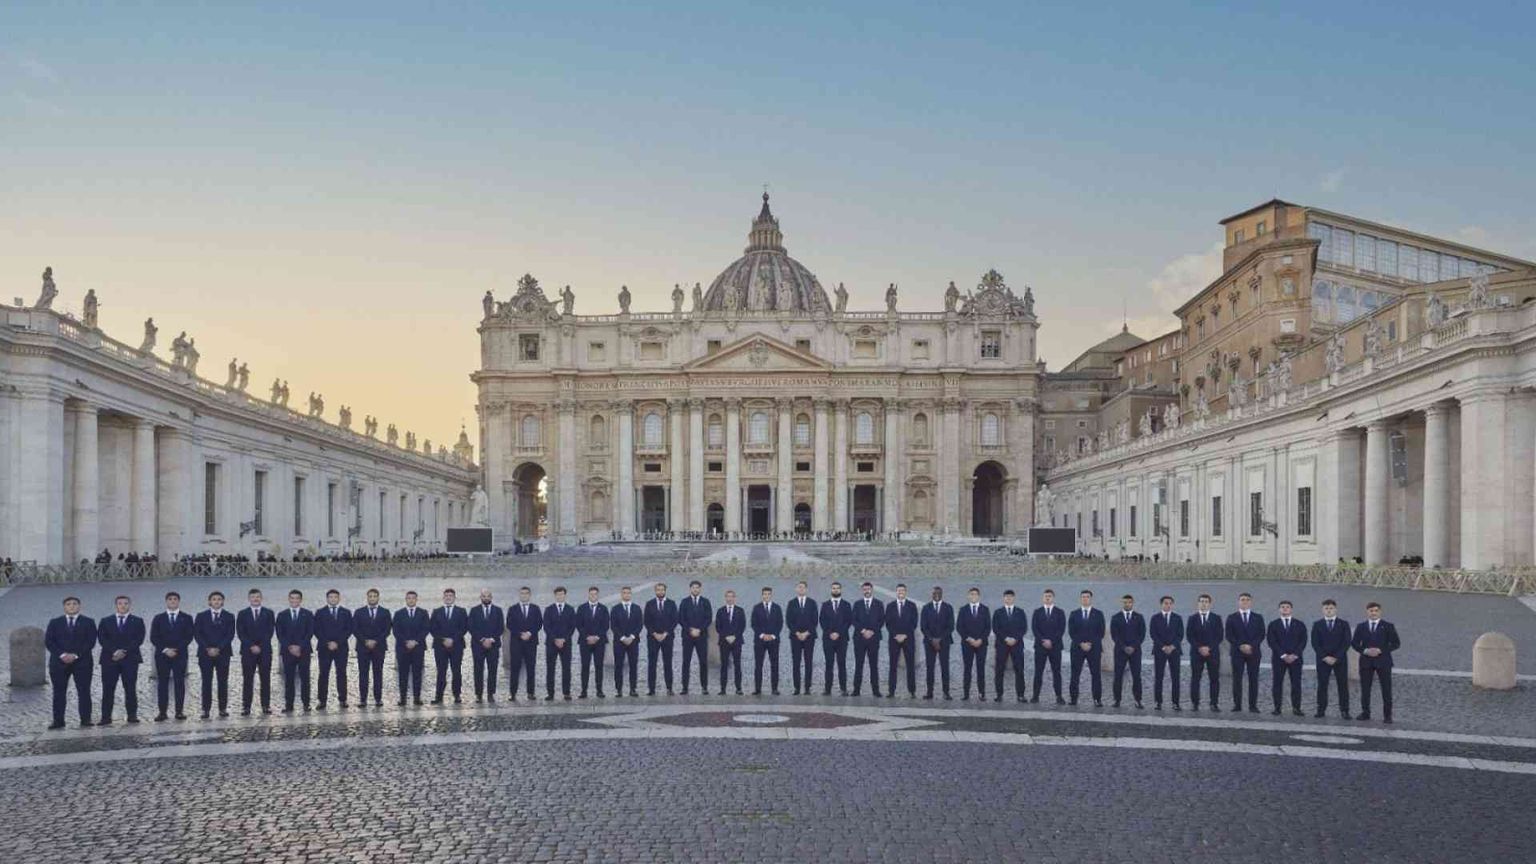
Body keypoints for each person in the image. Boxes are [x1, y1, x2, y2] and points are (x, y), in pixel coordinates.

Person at [45, 596, 96, 729]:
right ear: (64, 607)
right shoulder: (54, 622)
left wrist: (75, 655)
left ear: (79, 606)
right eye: (68, 604)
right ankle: (58, 720)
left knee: (84, 691)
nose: (72, 606)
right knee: (58, 692)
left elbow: (90, 642)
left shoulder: (88, 622)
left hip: (82, 662)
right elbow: (49, 642)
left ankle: (85, 719)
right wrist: (62, 655)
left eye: (74, 604)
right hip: (59, 663)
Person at [97, 595, 145, 725]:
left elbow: (139, 639)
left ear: (130, 605)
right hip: (109, 659)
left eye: (125, 603)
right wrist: (114, 651)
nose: (123, 606)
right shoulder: (105, 621)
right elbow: (102, 639)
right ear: (116, 605)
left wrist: (124, 651)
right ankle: (105, 717)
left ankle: (132, 715)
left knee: (130, 688)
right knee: (108, 689)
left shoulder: (138, 621)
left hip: (130, 659)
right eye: (120, 603)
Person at [150, 591, 195, 721]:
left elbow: (189, 636)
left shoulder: (186, 618)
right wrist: (165, 649)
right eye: (170, 599)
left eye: (175, 599)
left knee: (179, 683)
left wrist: (176, 649)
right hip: (162, 655)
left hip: (179, 655)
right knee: (162, 684)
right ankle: (162, 712)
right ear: (166, 601)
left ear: (178, 601)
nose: (173, 601)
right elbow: (154, 637)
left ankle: (179, 711)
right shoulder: (158, 618)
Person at [1353, 601, 1400, 723]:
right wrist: (1365, 650)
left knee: (1386, 689)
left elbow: (1396, 643)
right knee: (1365, 689)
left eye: (1376, 611)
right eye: (1371, 611)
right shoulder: (1361, 626)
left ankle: (1387, 715)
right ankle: (1365, 712)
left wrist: (1381, 650)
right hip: (1366, 661)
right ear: (1367, 612)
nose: (1373, 613)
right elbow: (1354, 643)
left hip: (1383, 661)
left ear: (1380, 612)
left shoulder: (1388, 626)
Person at [193, 591, 235, 719]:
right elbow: (197, 634)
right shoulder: (201, 616)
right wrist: (207, 648)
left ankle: (222, 708)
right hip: (205, 654)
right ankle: (205, 709)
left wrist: (218, 648)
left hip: (223, 653)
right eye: (214, 599)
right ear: (209, 602)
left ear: (223, 601)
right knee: (206, 682)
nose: (216, 601)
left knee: (222, 681)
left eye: (219, 599)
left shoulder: (229, 616)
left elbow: (230, 634)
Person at [236, 589, 275, 715]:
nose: (255, 599)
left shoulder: (269, 613)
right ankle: (246, 706)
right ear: (249, 599)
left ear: (261, 598)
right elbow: (241, 633)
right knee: (248, 679)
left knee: (265, 678)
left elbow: (270, 632)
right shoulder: (242, 614)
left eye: (258, 596)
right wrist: (252, 645)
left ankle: (266, 705)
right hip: (248, 651)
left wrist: (260, 646)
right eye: (253, 597)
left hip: (265, 651)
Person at [275, 590, 314, 713]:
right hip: (288, 651)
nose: (294, 600)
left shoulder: (308, 614)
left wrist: (299, 647)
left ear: (300, 600)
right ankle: (289, 705)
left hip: (304, 651)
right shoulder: (282, 615)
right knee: (289, 679)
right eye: (292, 598)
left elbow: (310, 633)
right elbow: (280, 634)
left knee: (305, 678)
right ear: (289, 599)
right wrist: (290, 647)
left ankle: (306, 704)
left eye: (297, 598)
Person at [1311, 599, 1351, 719]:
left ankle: (1344, 710)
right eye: (1326, 608)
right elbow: (1315, 643)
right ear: (1323, 610)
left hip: (1340, 660)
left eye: (1331, 608)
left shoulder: (1344, 624)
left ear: (1335, 609)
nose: (1329, 610)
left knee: (1343, 685)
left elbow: (1346, 642)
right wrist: (1324, 656)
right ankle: (1321, 709)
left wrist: (1336, 657)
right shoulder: (1317, 624)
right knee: (1322, 685)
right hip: (1323, 660)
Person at [1225, 593, 1264, 713]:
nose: (1245, 602)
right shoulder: (1231, 617)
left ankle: (1253, 705)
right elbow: (1229, 635)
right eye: (1242, 600)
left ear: (1251, 602)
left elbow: (1261, 634)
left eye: (1247, 600)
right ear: (1238, 602)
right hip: (1237, 652)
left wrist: (1250, 645)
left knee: (1253, 679)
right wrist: (1241, 645)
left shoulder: (1258, 617)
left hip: (1254, 652)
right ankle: (1237, 705)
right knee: (1237, 679)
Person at [314, 589, 353, 710]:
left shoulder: (346, 612)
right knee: (323, 674)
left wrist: (337, 642)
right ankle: (322, 700)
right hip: (324, 648)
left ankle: (343, 699)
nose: (333, 599)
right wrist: (328, 643)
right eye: (330, 597)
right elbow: (316, 630)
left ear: (339, 598)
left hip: (341, 648)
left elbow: (349, 630)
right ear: (327, 599)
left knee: (341, 673)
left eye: (335, 597)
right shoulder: (320, 612)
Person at [1267, 600, 1307, 716]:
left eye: (1287, 607)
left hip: (1296, 659)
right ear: (1279, 609)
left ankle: (1296, 708)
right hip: (1279, 659)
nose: (1285, 609)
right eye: (1282, 607)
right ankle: (1277, 707)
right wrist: (1283, 655)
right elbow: (1271, 641)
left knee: (1296, 684)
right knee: (1277, 683)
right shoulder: (1273, 624)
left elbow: (1303, 641)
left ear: (1291, 609)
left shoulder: (1300, 624)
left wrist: (1294, 655)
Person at [353, 588, 391, 708]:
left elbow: (387, 630)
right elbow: (355, 629)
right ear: (367, 597)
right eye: (370, 596)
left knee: (378, 673)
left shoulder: (385, 612)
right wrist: (365, 641)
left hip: (379, 647)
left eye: (375, 596)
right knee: (363, 674)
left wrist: (375, 641)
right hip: (362, 648)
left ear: (378, 598)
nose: (372, 598)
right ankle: (363, 699)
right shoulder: (359, 612)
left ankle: (378, 699)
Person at [430, 588, 468, 704]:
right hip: (440, 646)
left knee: (456, 671)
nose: (448, 597)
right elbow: (432, 628)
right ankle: (439, 696)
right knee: (441, 671)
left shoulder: (461, 611)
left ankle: (457, 695)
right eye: (446, 595)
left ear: (454, 597)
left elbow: (464, 628)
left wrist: (453, 639)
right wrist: (443, 639)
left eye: (450, 596)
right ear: (443, 597)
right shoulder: (437, 611)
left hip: (457, 646)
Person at [1186, 593, 1222, 712]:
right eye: (1201, 601)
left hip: (1213, 653)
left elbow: (1219, 636)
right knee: (1195, 678)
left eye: (1206, 601)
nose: (1204, 603)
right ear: (1198, 603)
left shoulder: (1216, 618)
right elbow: (1190, 636)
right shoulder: (1192, 618)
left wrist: (1209, 648)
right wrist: (1200, 648)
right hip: (1197, 653)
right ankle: (1195, 703)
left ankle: (1214, 703)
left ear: (1210, 604)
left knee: (1214, 679)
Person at [1068, 589, 1105, 706]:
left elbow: (1101, 632)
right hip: (1077, 648)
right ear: (1080, 599)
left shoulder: (1099, 614)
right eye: (1083, 597)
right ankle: (1073, 699)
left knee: (1096, 674)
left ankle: (1097, 699)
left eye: (1087, 597)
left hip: (1094, 648)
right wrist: (1081, 644)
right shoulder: (1074, 614)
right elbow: (1071, 632)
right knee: (1075, 674)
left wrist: (1089, 644)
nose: (1085, 599)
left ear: (1091, 599)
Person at [392, 591, 429, 706]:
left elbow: (426, 629)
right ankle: (402, 698)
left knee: (417, 673)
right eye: (409, 598)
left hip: (418, 648)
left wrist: (415, 641)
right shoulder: (399, 613)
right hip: (402, 648)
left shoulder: (423, 613)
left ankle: (417, 698)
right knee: (403, 674)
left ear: (416, 599)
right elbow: (396, 631)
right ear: (406, 599)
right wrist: (406, 642)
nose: (411, 600)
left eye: (413, 598)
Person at [882, 584, 918, 698]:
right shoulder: (890, 606)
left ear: (905, 592)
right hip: (894, 639)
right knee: (893, 666)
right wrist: (896, 635)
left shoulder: (912, 606)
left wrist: (905, 635)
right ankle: (891, 691)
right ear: (896, 592)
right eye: (899, 590)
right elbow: (888, 623)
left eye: (902, 590)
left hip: (909, 639)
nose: (901, 592)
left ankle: (912, 691)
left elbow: (914, 622)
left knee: (910, 665)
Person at [1030, 589, 1066, 704]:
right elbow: (1034, 629)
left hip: (1055, 647)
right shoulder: (1037, 612)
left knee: (1057, 672)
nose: (1047, 598)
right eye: (1045, 596)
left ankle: (1059, 696)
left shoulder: (1060, 612)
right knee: (1038, 672)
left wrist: (1051, 641)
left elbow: (1061, 629)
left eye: (1049, 596)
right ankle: (1035, 696)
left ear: (1053, 598)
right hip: (1040, 647)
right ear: (1042, 598)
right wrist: (1043, 641)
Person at [991, 590, 1028, 702]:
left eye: (1010, 597)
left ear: (1014, 598)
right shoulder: (998, 612)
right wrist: (1006, 638)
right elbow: (995, 628)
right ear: (1003, 598)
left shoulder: (1020, 612)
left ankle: (1020, 694)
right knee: (999, 670)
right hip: (1002, 644)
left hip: (1017, 645)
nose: (1008, 599)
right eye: (1006, 597)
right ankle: (999, 694)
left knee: (1019, 670)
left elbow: (1024, 628)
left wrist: (1015, 638)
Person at [1110, 594, 1145, 709]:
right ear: (1122, 603)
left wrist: (1133, 647)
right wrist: (1124, 647)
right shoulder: (1115, 617)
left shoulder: (1139, 617)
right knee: (1118, 676)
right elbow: (1114, 635)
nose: (1127, 604)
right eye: (1125, 602)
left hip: (1135, 651)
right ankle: (1117, 700)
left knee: (1137, 676)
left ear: (1132, 603)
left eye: (1129, 602)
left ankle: (1138, 700)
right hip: (1120, 651)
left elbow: (1142, 635)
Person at [468, 588, 504, 703]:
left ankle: (490, 694)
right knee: (478, 670)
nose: (486, 598)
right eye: (484, 596)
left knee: (492, 670)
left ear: (491, 597)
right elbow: (471, 627)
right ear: (481, 597)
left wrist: (491, 640)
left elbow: (500, 628)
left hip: (493, 645)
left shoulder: (498, 610)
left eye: (488, 596)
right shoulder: (474, 611)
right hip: (478, 645)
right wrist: (483, 639)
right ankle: (478, 694)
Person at [507, 586, 543, 700]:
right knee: (515, 668)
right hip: (516, 643)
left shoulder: (535, 608)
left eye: (526, 593)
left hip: (531, 642)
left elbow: (539, 624)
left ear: (529, 595)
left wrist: (529, 633)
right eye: (522, 593)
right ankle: (512, 693)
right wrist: (520, 634)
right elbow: (509, 624)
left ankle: (531, 693)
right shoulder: (512, 609)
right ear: (519, 595)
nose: (524, 595)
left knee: (531, 668)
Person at [1148, 595, 1183, 710]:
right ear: (1161, 604)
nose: (1167, 605)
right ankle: (1158, 702)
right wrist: (1163, 646)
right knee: (1159, 677)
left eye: (1169, 603)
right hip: (1159, 650)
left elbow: (1180, 635)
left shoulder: (1178, 618)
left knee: (1175, 677)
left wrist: (1172, 646)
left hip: (1175, 651)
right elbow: (1153, 634)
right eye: (1165, 603)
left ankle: (1175, 702)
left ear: (1172, 605)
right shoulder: (1155, 618)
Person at [920, 586, 955, 700]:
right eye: (934, 593)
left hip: (944, 642)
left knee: (945, 667)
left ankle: (946, 692)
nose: (936, 595)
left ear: (942, 594)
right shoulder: (926, 608)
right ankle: (929, 692)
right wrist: (932, 639)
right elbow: (923, 627)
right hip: (929, 643)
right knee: (930, 668)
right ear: (931, 594)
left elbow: (951, 626)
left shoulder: (948, 608)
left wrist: (939, 639)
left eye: (938, 593)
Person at [851, 582, 885, 697]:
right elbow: (853, 620)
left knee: (874, 665)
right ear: (862, 590)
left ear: (872, 590)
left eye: (868, 589)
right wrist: (863, 631)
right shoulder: (857, 604)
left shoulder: (879, 604)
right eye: (864, 589)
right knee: (858, 664)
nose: (866, 591)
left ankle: (876, 690)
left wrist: (872, 631)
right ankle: (856, 690)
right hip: (859, 638)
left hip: (874, 638)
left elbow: (881, 620)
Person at [678, 580, 712, 695]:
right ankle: (685, 687)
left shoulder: (705, 602)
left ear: (700, 589)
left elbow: (708, 618)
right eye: (693, 587)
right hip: (687, 636)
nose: (695, 589)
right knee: (686, 662)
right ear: (690, 589)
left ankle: (704, 687)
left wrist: (699, 630)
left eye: (697, 587)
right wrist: (690, 630)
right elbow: (681, 619)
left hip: (701, 636)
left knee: (703, 662)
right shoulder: (684, 602)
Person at [956, 587, 990, 700]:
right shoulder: (963, 610)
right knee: (967, 669)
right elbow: (959, 627)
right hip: (967, 644)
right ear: (968, 596)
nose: (973, 596)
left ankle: (982, 693)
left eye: (975, 594)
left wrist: (980, 639)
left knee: (981, 669)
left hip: (981, 644)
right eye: (971, 594)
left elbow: (988, 627)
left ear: (979, 596)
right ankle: (966, 693)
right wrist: (969, 639)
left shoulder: (985, 609)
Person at [819, 582, 853, 695]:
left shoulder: (847, 605)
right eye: (834, 588)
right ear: (831, 590)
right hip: (828, 639)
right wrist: (830, 633)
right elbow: (822, 621)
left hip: (842, 639)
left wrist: (838, 633)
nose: (836, 590)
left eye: (838, 588)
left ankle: (843, 688)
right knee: (829, 663)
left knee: (841, 663)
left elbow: (848, 621)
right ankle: (827, 689)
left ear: (841, 590)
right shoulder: (825, 605)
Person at [644, 583, 678, 695]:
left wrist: (665, 633)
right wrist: (654, 633)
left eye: (662, 590)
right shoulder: (649, 604)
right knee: (652, 664)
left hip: (667, 638)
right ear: (655, 591)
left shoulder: (671, 604)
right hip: (653, 638)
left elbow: (674, 620)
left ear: (665, 591)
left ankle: (669, 688)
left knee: (667, 663)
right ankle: (651, 689)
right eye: (658, 590)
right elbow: (646, 621)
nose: (660, 592)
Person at [575, 586, 609, 698]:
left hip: (599, 642)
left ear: (598, 595)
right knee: (585, 666)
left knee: (599, 666)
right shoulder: (581, 608)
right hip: (585, 641)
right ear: (588, 595)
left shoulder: (603, 609)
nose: (593, 596)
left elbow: (605, 625)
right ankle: (584, 691)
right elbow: (579, 625)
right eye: (591, 594)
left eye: (595, 594)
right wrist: (587, 637)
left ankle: (599, 690)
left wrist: (597, 637)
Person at [544, 587, 576, 700]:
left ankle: (566, 692)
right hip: (551, 644)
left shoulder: (570, 609)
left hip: (566, 644)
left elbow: (572, 627)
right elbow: (546, 627)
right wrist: (555, 639)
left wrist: (564, 639)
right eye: (558, 594)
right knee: (550, 669)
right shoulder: (548, 609)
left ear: (565, 595)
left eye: (562, 594)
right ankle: (550, 693)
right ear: (555, 595)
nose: (560, 596)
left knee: (566, 668)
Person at [786, 581, 818, 696]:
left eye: (803, 587)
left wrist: (806, 633)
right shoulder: (791, 603)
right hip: (795, 637)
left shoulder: (812, 603)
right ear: (796, 589)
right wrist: (797, 633)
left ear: (806, 589)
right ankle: (797, 687)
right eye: (799, 587)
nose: (801, 589)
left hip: (809, 637)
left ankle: (807, 687)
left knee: (808, 662)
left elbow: (815, 620)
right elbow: (789, 621)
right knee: (796, 662)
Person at [610, 586, 642, 697]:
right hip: (619, 642)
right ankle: (618, 689)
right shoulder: (615, 609)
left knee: (633, 665)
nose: (626, 595)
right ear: (621, 594)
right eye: (624, 593)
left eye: (628, 593)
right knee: (618, 666)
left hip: (633, 641)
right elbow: (613, 626)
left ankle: (633, 689)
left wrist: (632, 637)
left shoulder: (637, 608)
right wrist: (623, 638)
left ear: (631, 594)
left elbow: (640, 625)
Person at [751, 587, 784, 695]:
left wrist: (773, 635)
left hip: (773, 641)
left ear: (771, 595)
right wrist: (762, 635)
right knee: (758, 665)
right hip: (760, 641)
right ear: (762, 595)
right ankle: (758, 689)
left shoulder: (777, 608)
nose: (766, 596)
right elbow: (754, 624)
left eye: (768, 594)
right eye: (764, 594)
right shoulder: (756, 608)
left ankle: (774, 688)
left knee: (774, 665)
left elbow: (780, 624)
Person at [715, 590, 746, 695]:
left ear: (734, 598)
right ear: (725, 598)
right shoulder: (720, 611)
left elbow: (742, 626)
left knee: (737, 665)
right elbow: (718, 627)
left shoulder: (740, 611)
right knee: (724, 665)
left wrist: (735, 636)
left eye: (732, 596)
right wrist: (726, 637)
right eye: (728, 596)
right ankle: (723, 689)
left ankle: (738, 688)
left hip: (737, 642)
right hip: (724, 642)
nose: (730, 598)